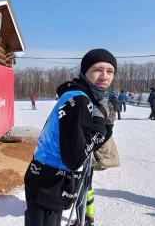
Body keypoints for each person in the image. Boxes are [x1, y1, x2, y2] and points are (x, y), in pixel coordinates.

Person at [24, 48, 117, 226]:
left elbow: (87, 145)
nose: (105, 76)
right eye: (97, 69)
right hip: (50, 180)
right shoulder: (81, 100)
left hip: (43, 175)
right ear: (84, 72)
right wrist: (99, 125)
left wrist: (107, 127)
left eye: (110, 71)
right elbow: (74, 159)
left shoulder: (78, 95)